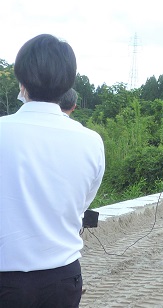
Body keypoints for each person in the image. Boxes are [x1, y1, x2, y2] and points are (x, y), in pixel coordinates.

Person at [0, 34, 105, 307]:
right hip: (63, 278)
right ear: (67, 82)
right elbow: (82, 204)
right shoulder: (91, 141)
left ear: (21, 81)